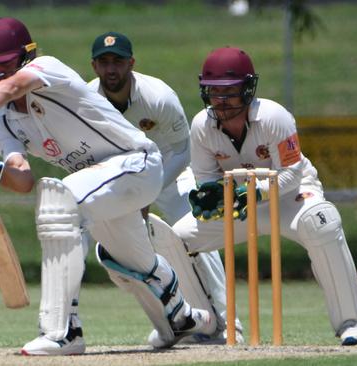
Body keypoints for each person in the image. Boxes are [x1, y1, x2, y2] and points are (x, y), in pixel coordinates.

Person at [0, 17, 211, 356]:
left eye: (5, 63)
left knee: (58, 200)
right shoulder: (4, 123)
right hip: (98, 185)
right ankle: (184, 317)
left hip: (136, 163)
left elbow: (11, 87)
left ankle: (63, 331)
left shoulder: (47, 69)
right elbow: (22, 179)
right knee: (133, 263)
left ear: (26, 57)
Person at [174, 46, 357, 346]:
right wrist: (212, 197)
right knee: (178, 239)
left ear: (248, 89)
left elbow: (291, 174)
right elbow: (206, 179)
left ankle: (351, 322)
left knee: (323, 222)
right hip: (240, 205)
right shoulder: (202, 125)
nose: (221, 102)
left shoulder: (276, 117)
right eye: (214, 92)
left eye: (230, 92)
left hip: (290, 199)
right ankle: (211, 324)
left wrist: (252, 191)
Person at [87, 32, 241, 344]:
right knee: (128, 254)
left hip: (171, 170)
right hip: (122, 177)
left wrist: (151, 190)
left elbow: (183, 150)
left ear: (131, 63)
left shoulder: (157, 96)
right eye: (104, 62)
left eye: (118, 61)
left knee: (197, 232)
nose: (111, 69)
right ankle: (181, 320)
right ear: (94, 66)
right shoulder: (86, 100)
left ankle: (229, 323)